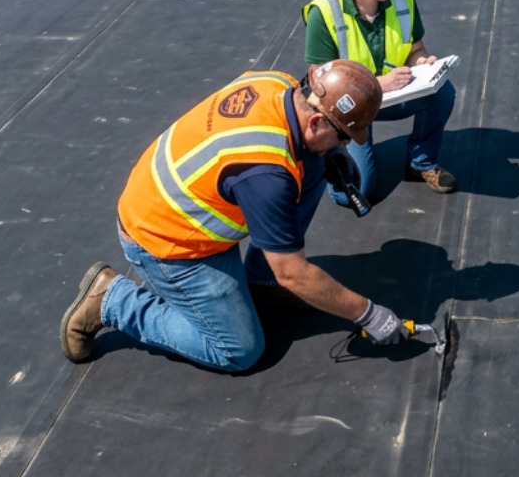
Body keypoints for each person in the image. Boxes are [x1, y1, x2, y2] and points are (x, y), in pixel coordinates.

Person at [59, 60, 410, 371]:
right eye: (343, 136)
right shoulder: (267, 175)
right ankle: (112, 300)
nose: (346, 144)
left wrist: (324, 154)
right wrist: (367, 313)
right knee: (239, 350)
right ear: (316, 121)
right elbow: (294, 273)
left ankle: (261, 283)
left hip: (175, 199)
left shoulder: (277, 83)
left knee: (314, 164)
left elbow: (282, 149)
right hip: (166, 241)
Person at [303, 0, 457, 200]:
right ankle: (327, 161)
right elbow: (319, 88)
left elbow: (416, 48)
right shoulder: (324, 12)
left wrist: (422, 63)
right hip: (346, 110)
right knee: (354, 192)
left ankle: (421, 163)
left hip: (394, 96)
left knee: (443, 92)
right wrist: (376, 84)